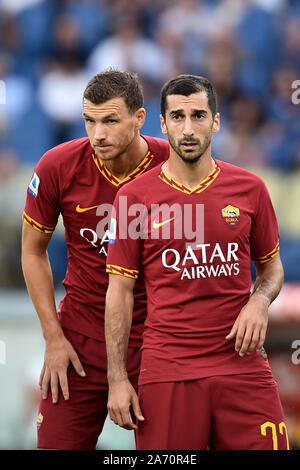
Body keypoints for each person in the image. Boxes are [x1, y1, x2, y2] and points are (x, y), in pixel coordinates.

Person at [105, 74, 290, 450]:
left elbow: (271, 270)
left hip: (241, 364)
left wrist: (259, 301)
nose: (188, 129)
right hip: (168, 368)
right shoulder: (133, 199)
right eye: (177, 117)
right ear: (162, 123)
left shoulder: (250, 189)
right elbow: (120, 292)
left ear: (216, 121)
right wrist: (117, 379)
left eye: (199, 116)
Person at [21, 69, 169, 450]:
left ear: (139, 118)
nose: (97, 134)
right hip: (79, 338)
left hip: (157, 337)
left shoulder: (174, 163)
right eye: (89, 120)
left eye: (110, 121)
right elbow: (32, 251)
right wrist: (53, 338)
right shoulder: (57, 166)